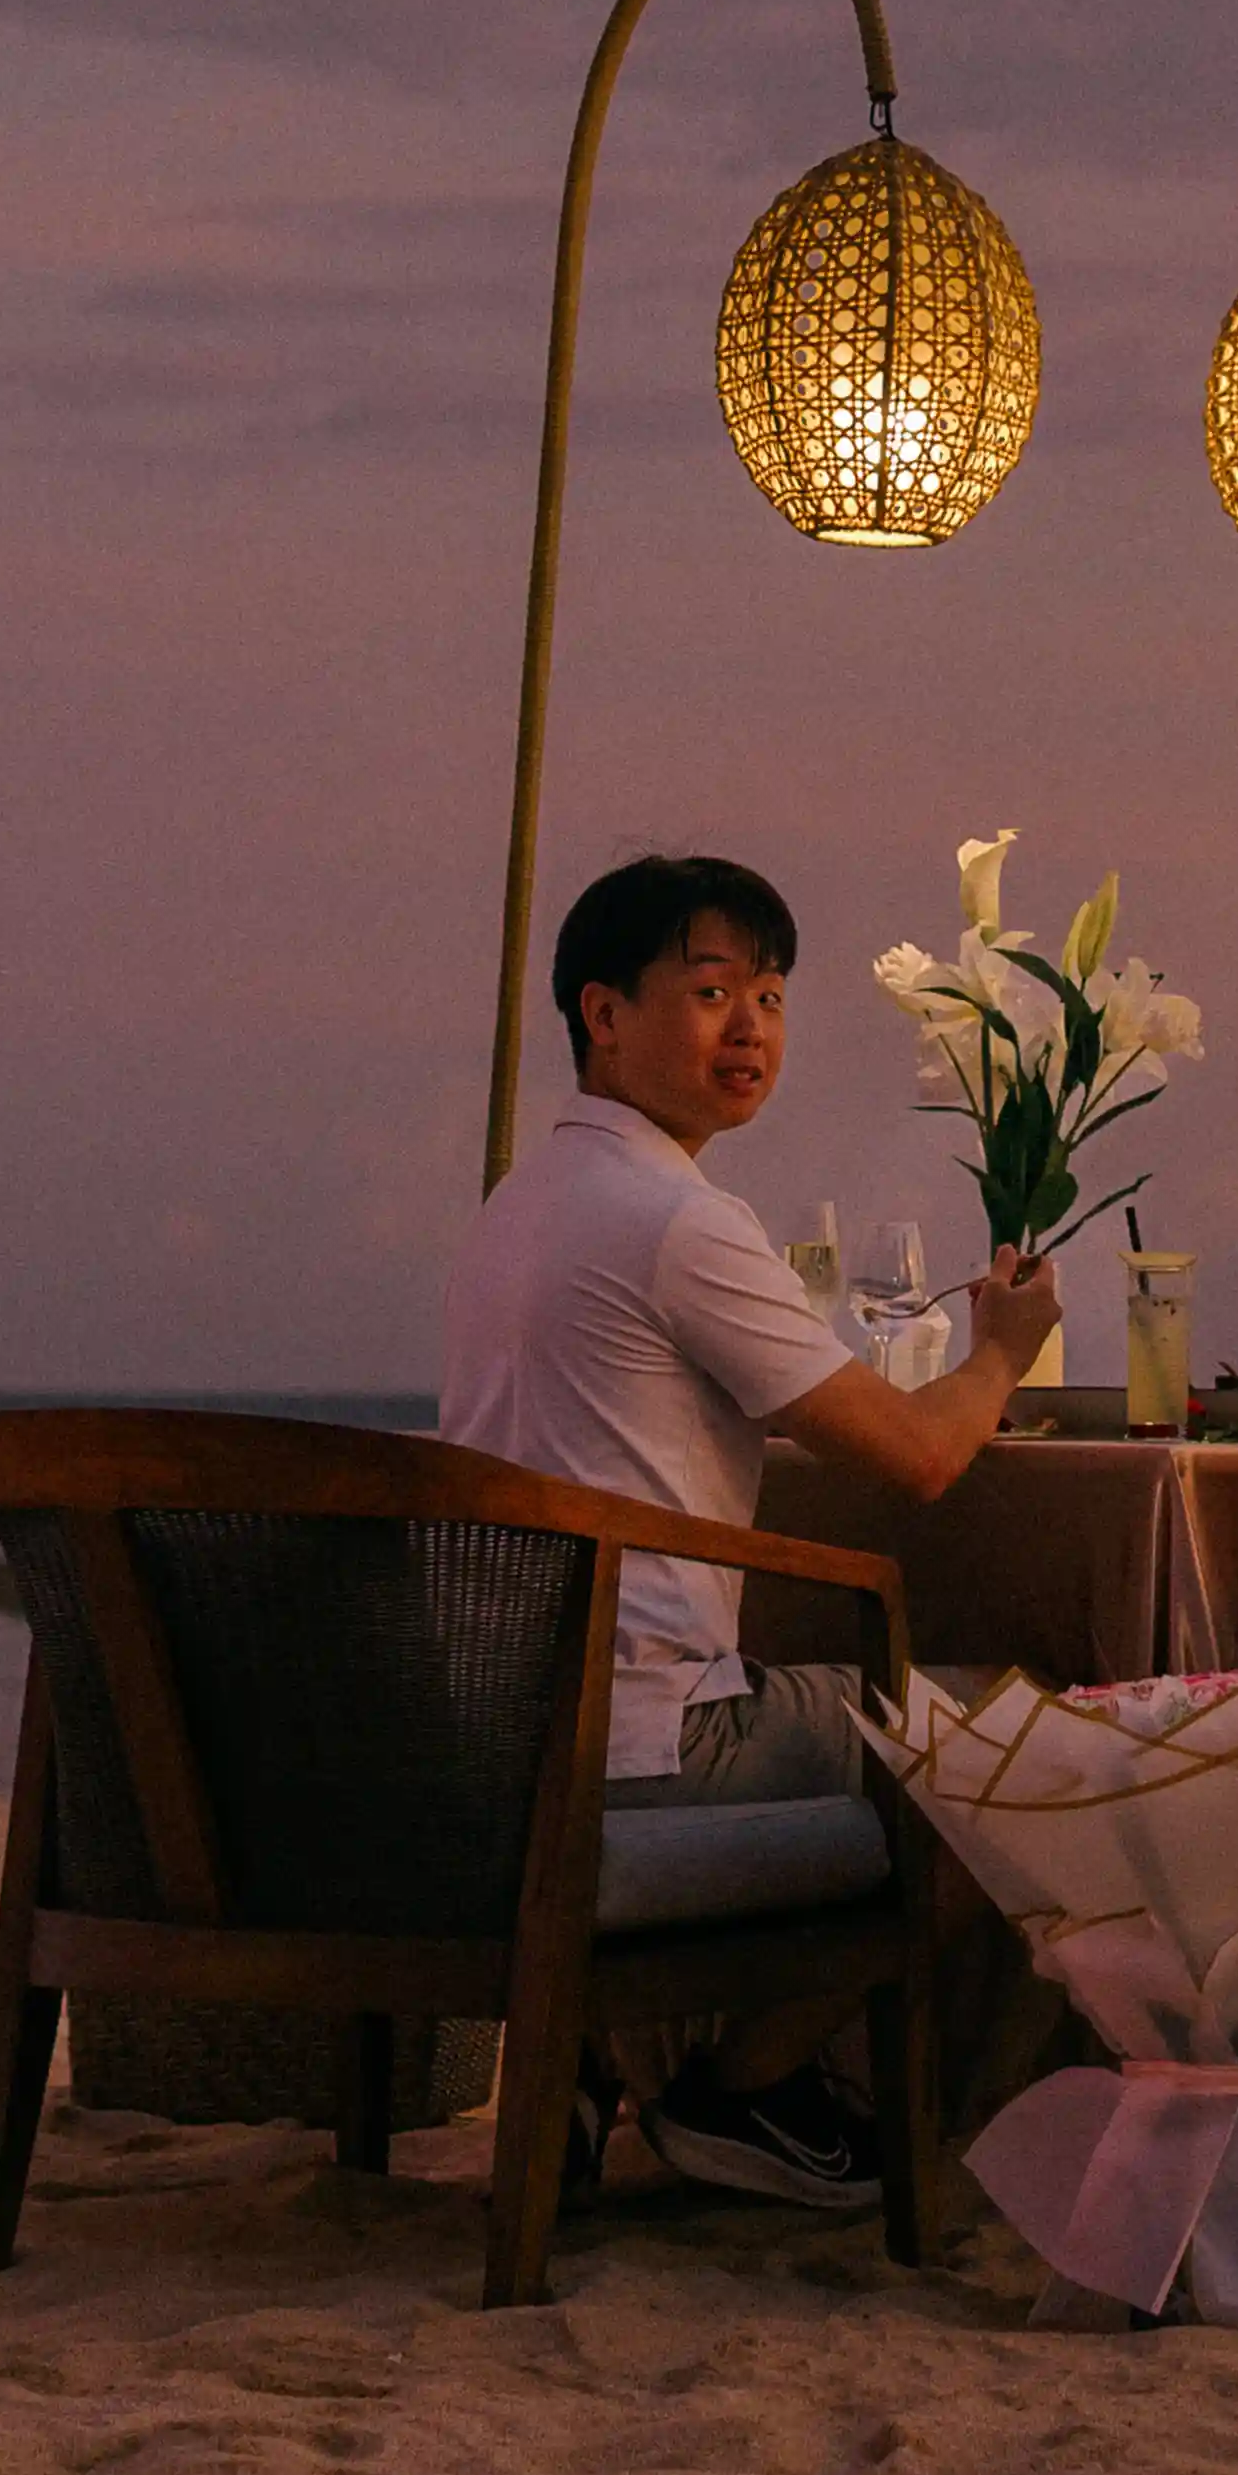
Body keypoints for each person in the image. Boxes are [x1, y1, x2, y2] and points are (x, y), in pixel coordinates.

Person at [442, 849, 1059, 2210]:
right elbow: (919, 1456)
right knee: (1027, 1741)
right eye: (712, 990)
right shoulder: (675, 1219)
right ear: (602, 1012)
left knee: (908, 1702)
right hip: (646, 1739)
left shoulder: (521, 1206)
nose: (751, 1029)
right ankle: (743, 2086)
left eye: (771, 996)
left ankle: (626, 2056)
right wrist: (1005, 1349)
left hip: (503, 1726)